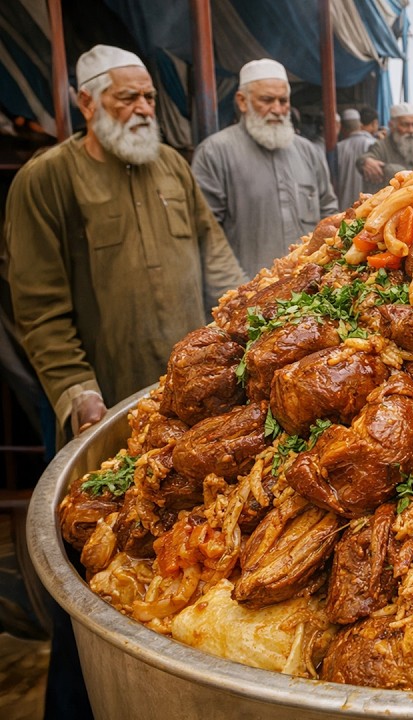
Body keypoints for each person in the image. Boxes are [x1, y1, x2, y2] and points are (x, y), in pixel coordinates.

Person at [3, 46, 246, 719]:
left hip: (191, 406)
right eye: (126, 99)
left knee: (176, 549)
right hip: (110, 407)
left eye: (147, 98)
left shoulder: (170, 167)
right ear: (85, 103)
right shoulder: (46, 181)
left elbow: (215, 258)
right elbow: (39, 307)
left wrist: (253, 326)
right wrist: (75, 391)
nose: (144, 110)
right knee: (94, 588)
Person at [191, 58, 338, 276]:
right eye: (267, 100)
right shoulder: (214, 153)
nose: (278, 109)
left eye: (283, 101)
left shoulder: (308, 152)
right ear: (242, 101)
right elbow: (207, 236)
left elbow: (330, 214)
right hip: (248, 291)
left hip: (309, 289)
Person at [358, 102, 413, 192]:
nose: (411, 130)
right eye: (405, 125)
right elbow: (364, 158)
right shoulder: (382, 147)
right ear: (391, 126)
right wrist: (366, 161)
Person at [334, 106, 378, 209]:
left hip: (343, 205)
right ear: (359, 125)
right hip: (368, 205)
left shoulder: (338, 147)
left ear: (342, 127)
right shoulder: (373, 143)